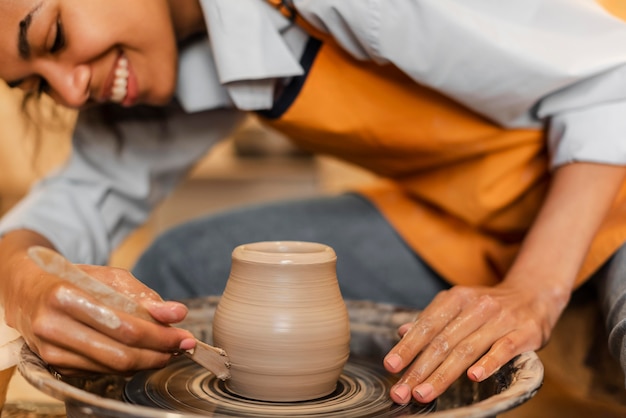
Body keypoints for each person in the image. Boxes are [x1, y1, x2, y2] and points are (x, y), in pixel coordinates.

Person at [0, 0, 626, 407]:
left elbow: (611, 82)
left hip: (609, 176)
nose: (71, 89)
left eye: (54, 34)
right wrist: (24, 280)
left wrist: (535, 291)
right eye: (35, 84)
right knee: (180, 270)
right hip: (476, 215)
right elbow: (74, 204)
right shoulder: (166, 51)